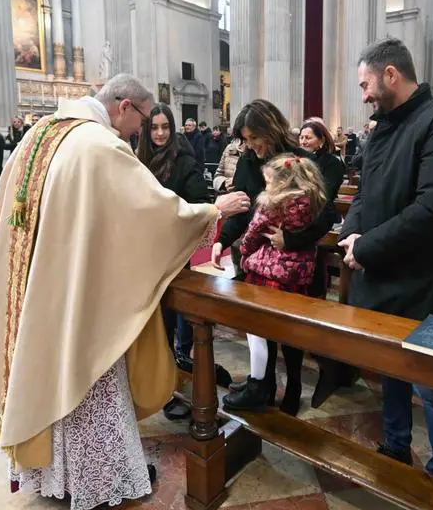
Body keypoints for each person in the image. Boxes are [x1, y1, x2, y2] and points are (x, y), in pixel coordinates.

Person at [0, 73, 249, 510]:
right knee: (85, 370)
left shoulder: (39, 136)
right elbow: (153, 213)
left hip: (35, 285)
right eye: (141, 121)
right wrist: (213, 210)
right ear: (125, 106)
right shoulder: (97, 146)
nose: (140, 132)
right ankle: (96, 477)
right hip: (76, 293)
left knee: (46, 366)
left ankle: (52, 472)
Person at [337, 38, 433, 510]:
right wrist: (349, 232)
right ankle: (396, 446)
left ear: (390, 74)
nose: (365, 95)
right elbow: (365, 194)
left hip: (427, 284)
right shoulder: (382, 130)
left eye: (366, 84)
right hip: (383, 278)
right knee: (391, 372)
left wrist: (367, 247)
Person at [210, 100, 340, 415]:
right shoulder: (247, 163)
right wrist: (223, 240)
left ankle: (293, 385)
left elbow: (327, 216)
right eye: (246, 139)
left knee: (289, 332)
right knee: (258, 325)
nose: (251, 145)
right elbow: (243, 212)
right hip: (256, 260)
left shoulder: (303, 161)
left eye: (255, 137)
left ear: (271, 129)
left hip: (294, 261)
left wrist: (291, 239)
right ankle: (263, 385)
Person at [136, 102, 236, 420]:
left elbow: (196, 201)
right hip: (145, 254)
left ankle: (171, 384)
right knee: (150, 325)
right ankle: (155, 384)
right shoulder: (138, 159)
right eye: (154, 127)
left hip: (174, 254)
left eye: (166, 127)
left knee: (169, 318)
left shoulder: (184, 159)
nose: (160, 133)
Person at [223, 155, 327, 411]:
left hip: (268, 276)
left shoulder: (273, 205)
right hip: (297, 278)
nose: (266, 187)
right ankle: (293, 389)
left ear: (282, 183)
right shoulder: (311, 201)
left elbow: (253, 233)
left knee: (259, 331)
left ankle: (260, 386)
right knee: (290, 334)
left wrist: (245, 250)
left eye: (269, 182)